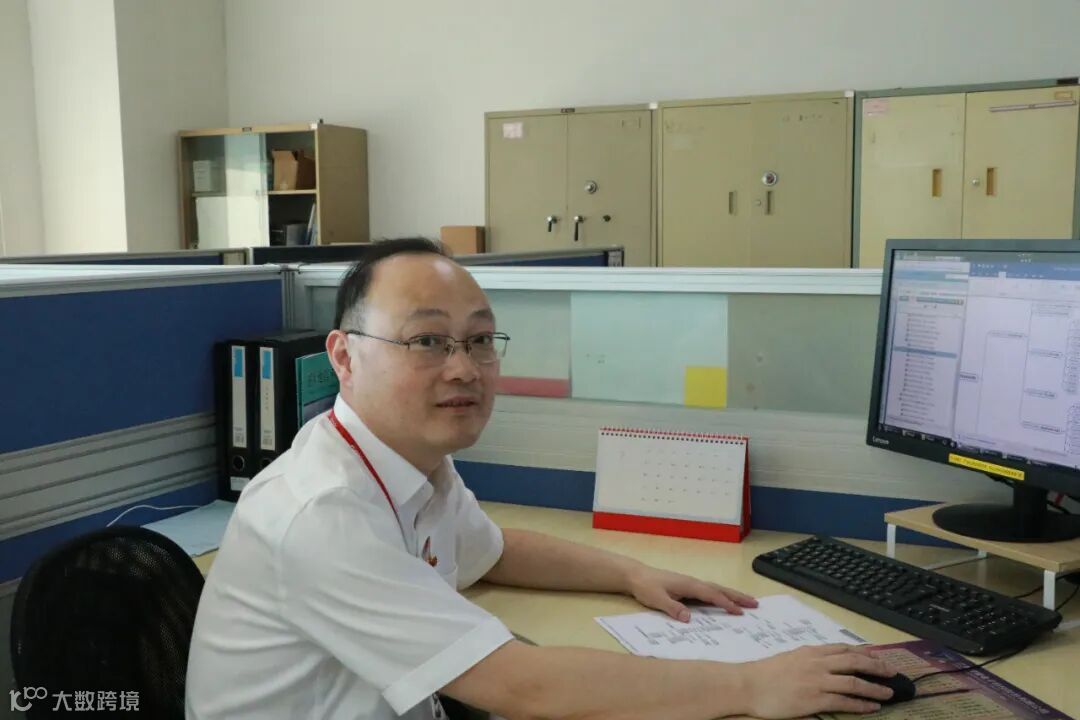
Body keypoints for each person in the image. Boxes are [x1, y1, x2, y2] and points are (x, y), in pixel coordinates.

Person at [186, 238, 897, 720]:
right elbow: (517, 687)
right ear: (343, 356)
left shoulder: (408, 464)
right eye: (427, 340)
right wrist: (750, 685)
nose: (463, 368)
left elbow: (493, 550)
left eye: (478, 340)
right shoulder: (324, 511)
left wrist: (632, 573)